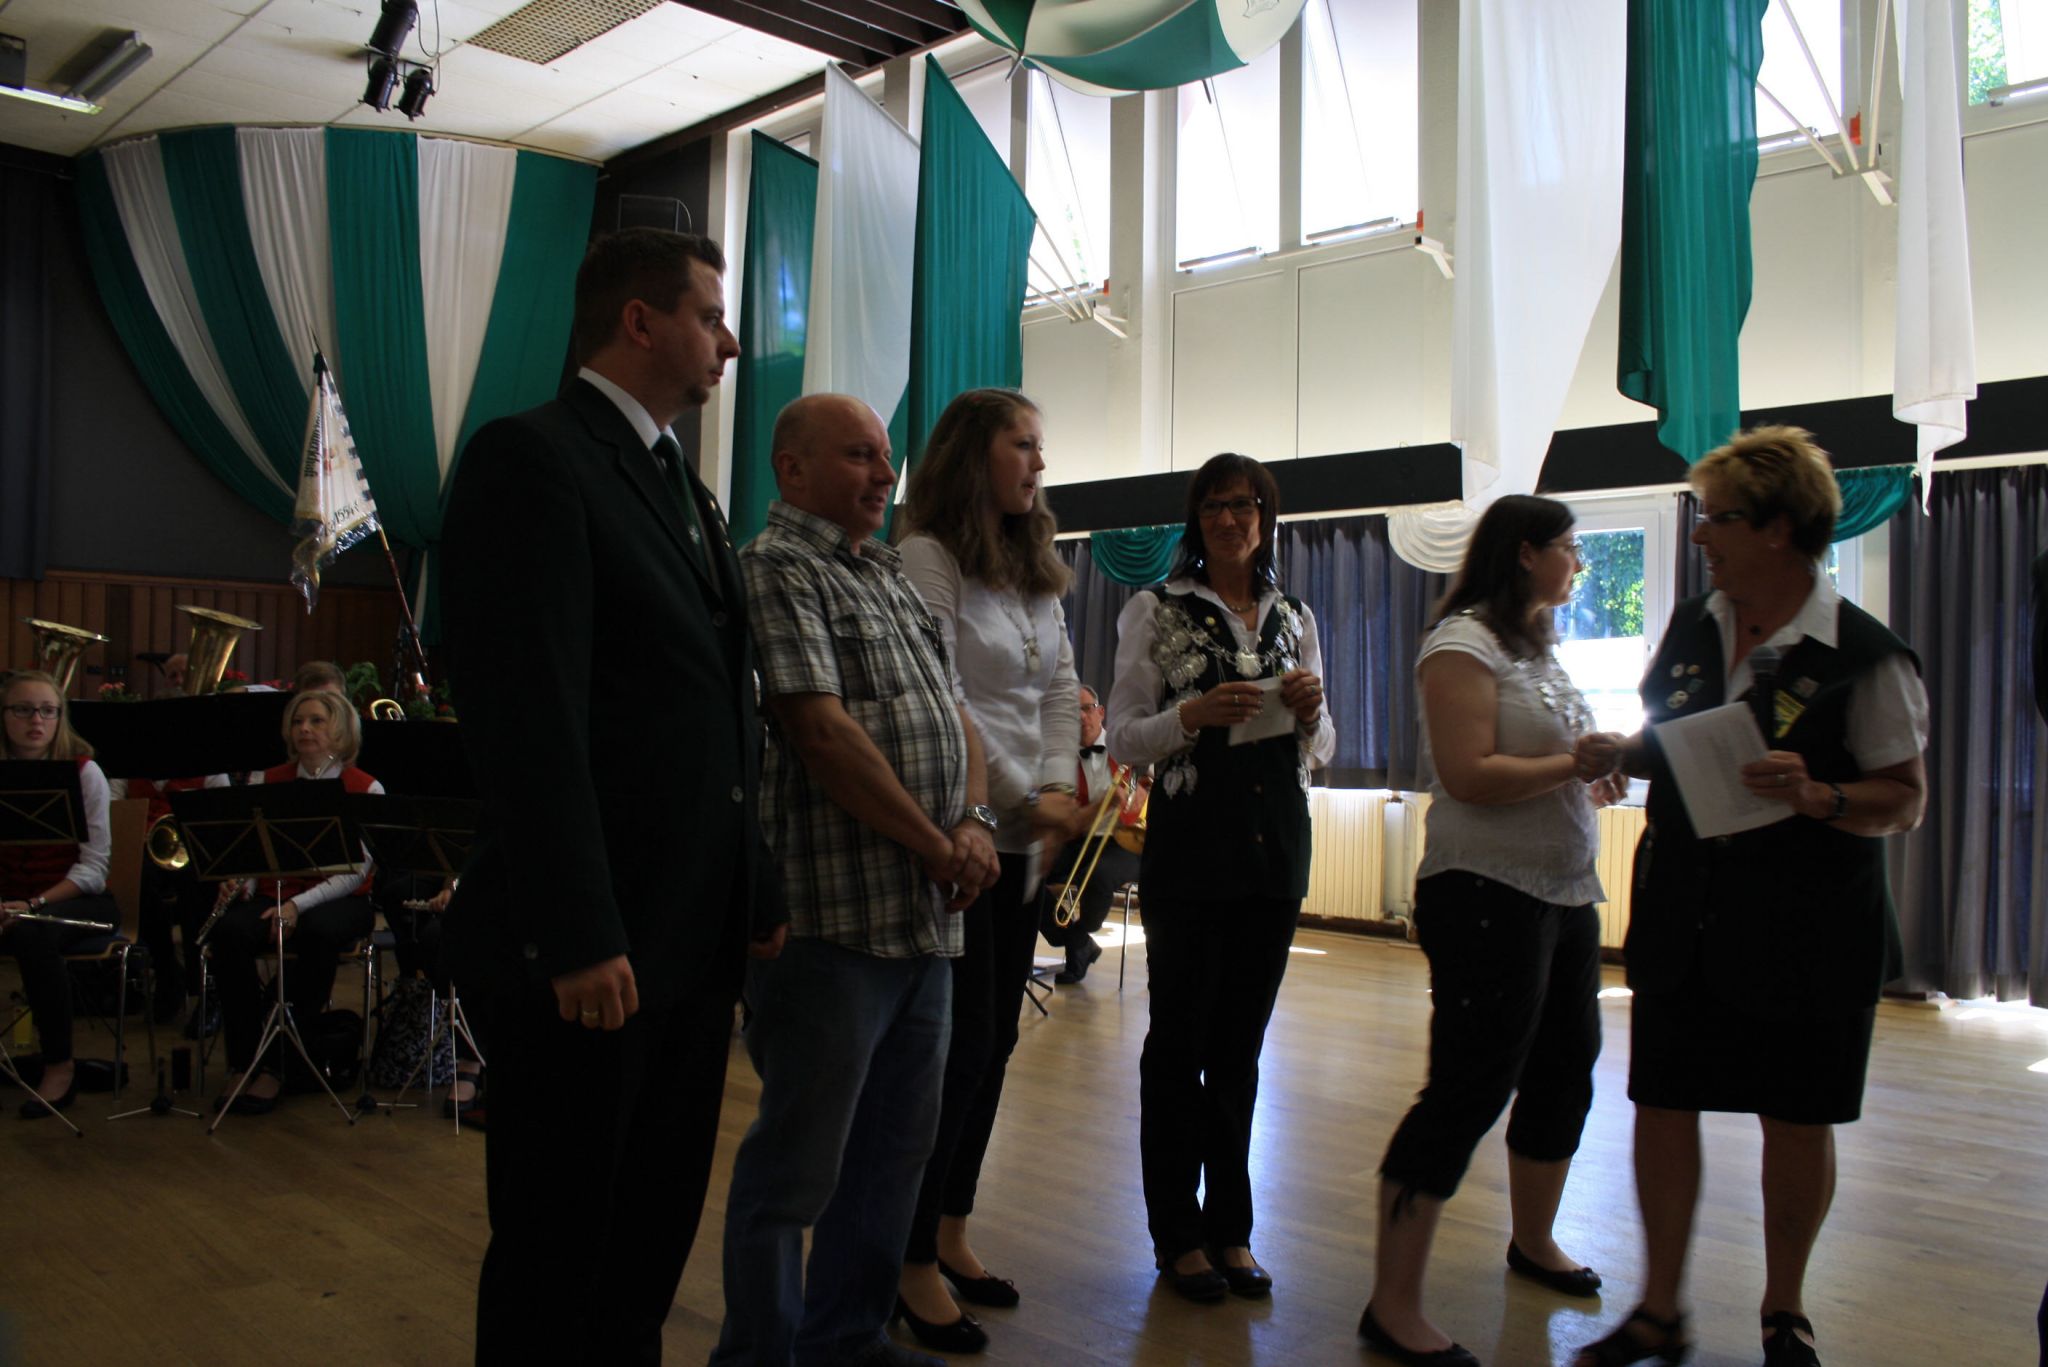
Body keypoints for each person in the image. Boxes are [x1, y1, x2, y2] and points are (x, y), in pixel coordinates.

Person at [439, 226, 783, 1365]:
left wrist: (754, 884)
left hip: (685, 935)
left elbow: (715, 705)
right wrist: (578, 930)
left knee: (645, 1243)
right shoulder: (532, 458)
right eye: (709, 316)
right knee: (559, 1251)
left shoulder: (682, 484)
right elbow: (528, 717)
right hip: (593, 950)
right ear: (639, 321)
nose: (729, 342)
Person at [1571, 427, 1929, 1367]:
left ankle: (1784, 1311)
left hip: (1811, 926)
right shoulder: (1697, 622)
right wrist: (1623, 751)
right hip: (1687, 912)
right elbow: (1675, 737)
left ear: (1778, 528)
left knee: (1797, 1116)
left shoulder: (1867, 655)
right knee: (1664, 1101)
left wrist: (1822, 796)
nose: (1699, 536)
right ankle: (1659, 1308)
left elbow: (1906, 798)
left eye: (1717, 519)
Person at [711, 392, 1001, 1367]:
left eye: (886, 457)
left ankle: (846, 1338)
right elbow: (820, 732)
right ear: (791, 469)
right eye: (859, 456)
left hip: (924, 921)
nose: (884, 475)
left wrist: (973, 823)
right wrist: (935, 843)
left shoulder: (885, 572)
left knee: (891, 1159)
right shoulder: (773, 568)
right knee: (796, 1168)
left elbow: (957, 716)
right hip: (831, 927)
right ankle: (758, 1353)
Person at [1358, 496, 1621, 1366]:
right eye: (1570, 547)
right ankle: (1393, 1305)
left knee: (1564, 1070)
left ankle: (1534, 1239)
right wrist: (1573, 762)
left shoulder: (1538, 645)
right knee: (1468, 1086)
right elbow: (1468, 774)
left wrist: (1589, 773)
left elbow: (1548, 758)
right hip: (1485, 893)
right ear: (1525, 552)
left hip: (1562, 892)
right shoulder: (1462, 642)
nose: (1579, 562)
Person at [1105, 452, 1334, 1302]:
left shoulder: (1296, 615)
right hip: (1191, 858)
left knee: (1239, 1052)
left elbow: (1324, 748)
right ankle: (1177, 1234)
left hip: (1275, 858)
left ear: (1266, 517)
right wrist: (1190, 716)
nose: (1230, 520)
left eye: (1244, 505)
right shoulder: (1153, 607)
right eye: (1213, 506)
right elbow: (1122, 735)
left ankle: (1232, 1228)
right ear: (1196, 520)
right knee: (1179, 1047)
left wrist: (1311, 713)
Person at [891, 387, 1084, 1351]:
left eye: (1039, 446)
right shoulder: (927, 556)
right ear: (975, 454)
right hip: (959, 834)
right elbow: (942, 694)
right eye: (1023, 444)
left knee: (995, 1043)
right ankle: (908, 1257)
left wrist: (1053, 788)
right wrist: (1022, 796)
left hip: (1022, 839)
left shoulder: (1032, 566)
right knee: (955, 1051)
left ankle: (952, 1229)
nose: (1039, 462)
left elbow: (1061, 690)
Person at [205, 688, 381, 1114]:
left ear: (340, 730)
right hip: (276, 893)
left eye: (317, 720)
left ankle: (280, 1064)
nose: (305, 728)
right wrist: (242, 885)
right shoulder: (268, 779)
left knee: (316, 934)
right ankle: (243, 1059)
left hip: (339, 899)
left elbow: (355, 872)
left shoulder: (365, 787)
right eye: (299, 721)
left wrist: (298, 907)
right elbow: (253, 851)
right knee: (228, 933)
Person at [0, 670, 119, 1118]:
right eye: (23, 710)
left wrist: (32, 905)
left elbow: (93, 867)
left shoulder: (85, 772)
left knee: (33, 935)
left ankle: (59, 1066)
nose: (37, 720)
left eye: (48, 711)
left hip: (74, 898)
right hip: (10, 900)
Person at [1041, 683, 1144, 985]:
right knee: (1028, 874)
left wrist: (1139, 794)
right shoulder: (1060, 760)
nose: (1080, 717)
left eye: (1086, 709)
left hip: (1125, 842)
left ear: (1101, 712)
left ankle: (1078, 941)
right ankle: (1078, 943)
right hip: (1078, 837)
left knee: (1096, 877)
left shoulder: (1126, 747)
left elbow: (1148, 783)